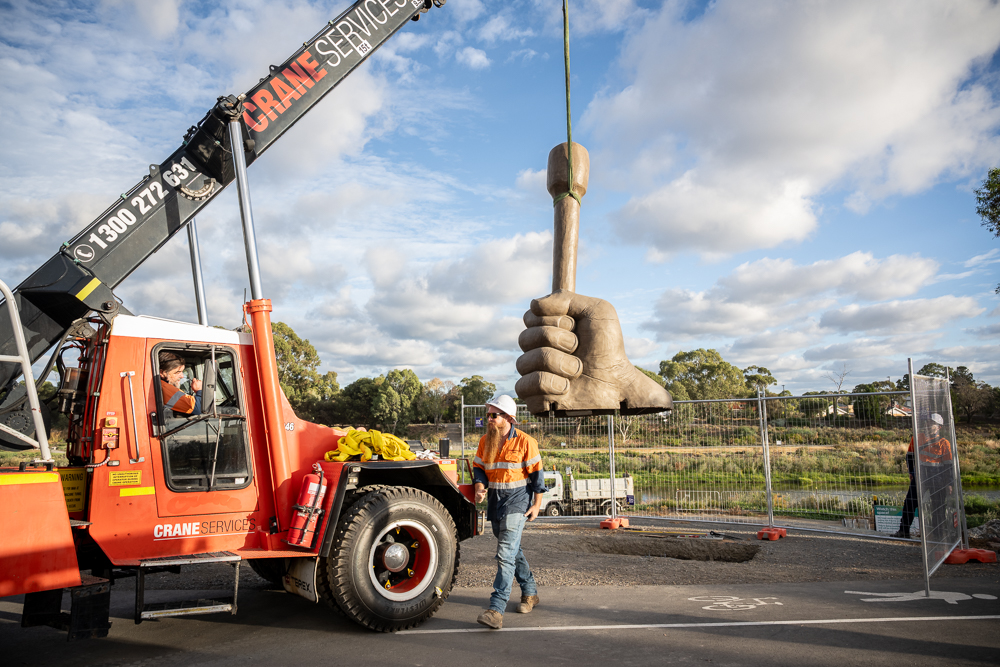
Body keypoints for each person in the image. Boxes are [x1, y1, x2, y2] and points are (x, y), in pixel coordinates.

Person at [473, 394, 545, 630]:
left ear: (508, 418)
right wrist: (480, 487)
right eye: (488, 415)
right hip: (495, 501)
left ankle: (496, 609)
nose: (489, 419)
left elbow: (537, 477)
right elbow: (479, 469)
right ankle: (530, 592)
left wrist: (536, 504)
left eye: (494, 415)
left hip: (517, 502)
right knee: (513, 551)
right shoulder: (485, 441)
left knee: (504, 554)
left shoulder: (526, 442)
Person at [159, 351, 203, 416]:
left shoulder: (160, 385)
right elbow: (200, 408)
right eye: (178, 372)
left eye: (182, 372)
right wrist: (199, 390)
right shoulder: (163, 388)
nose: (182, 376)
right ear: (162, 372)